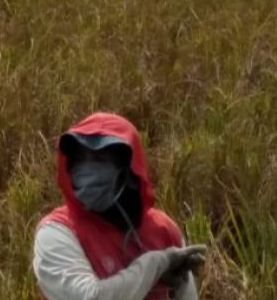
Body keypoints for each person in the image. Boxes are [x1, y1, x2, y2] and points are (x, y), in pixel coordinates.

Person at [34, 112, 205, 300]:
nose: (88, 169)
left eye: (100, 159)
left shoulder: (163, 231)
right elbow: (89, 297)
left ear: (129, 169)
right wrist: (156, 264)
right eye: (80, 158)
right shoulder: (57, 232)